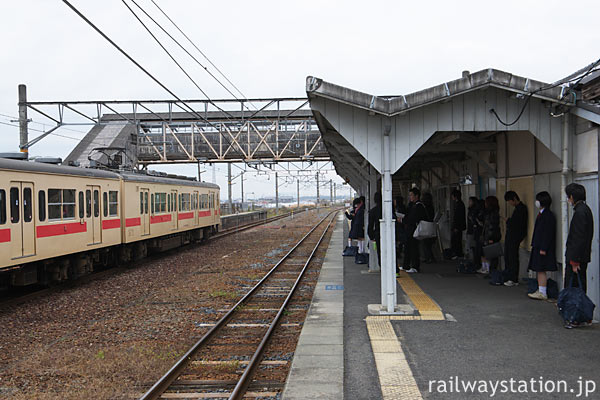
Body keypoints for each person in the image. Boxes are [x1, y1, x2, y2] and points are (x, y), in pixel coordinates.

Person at [564, 183, 594, 298]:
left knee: (573, 288)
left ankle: (573, 312)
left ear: (572, 197)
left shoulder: (580, 213)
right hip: (581, 257)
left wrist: (574, 261)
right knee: (578, 287)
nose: (568, 199)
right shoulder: (585, 210)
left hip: (576, 260)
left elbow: (578, 238)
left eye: (568, 196)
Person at [527, 191, 557, 300]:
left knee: (541, 268)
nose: (536, 202)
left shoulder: (548, 215)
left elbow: (548, 233)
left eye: (537, 200)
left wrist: (543, 248)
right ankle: (541, 290)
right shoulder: (542, 214)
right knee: (539, 268)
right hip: (538, 246)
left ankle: (542, 292)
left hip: (542, 248)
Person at [503, 191, 528, 287]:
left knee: (512, 257)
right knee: (509, 256)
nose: (509, 203)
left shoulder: (521, 209)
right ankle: (510, 277)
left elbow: (517, 224)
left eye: (509, 201)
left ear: (514, 198)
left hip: (515, 236)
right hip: (513, 236)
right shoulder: (518, 209)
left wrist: (508, 220)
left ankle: (513, 278)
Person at [401, 187, 427, 273]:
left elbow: (413, 219)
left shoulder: (419, 206)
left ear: (417, 196)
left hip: (414, 230)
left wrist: (402, 220)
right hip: (410, 230)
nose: (410, 197)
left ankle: (415, 267)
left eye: (411, 195)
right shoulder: (412, 205)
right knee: (408, 248)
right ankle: (406, 266)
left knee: (414, 248)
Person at [478, 196, 501, 274]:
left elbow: (492, 226)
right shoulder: (490, 212)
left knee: (491, 254)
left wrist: (491, 237)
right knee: (486, 253)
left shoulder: (492, 214)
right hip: (488, 235)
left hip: (490, 236)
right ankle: (487, 269)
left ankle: (490, 270)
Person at [368, 192, 383, 267]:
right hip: (388, 234)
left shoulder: (373, 211)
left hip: (378, 234)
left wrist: (371, 236)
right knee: (391, 251)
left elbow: (370, 225)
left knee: (380, 252)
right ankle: (395, 270)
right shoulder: (389, 209)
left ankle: (382, 267)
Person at [450, 189, 466, 259]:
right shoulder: (458, 204)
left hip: (458, 226)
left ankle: (457, 254)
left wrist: (456, 227)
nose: (452, 197)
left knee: (456, 240)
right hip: (457, 225)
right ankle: (457, 253)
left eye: (452, 196)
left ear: (455, 196)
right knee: (456, 239)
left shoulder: (459, 204)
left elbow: (459, 217)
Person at [421, 192, 436, 263]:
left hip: (425, 225)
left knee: (425, 243)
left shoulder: (424, 207)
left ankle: (428, 258)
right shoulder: (431, 207)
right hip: (431, 225)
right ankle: (430, 257)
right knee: (428, 244)